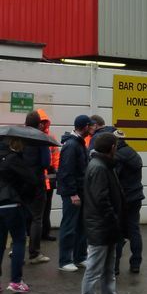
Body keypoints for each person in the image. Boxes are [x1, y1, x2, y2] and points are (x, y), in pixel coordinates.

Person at [79, 133, 133, 294]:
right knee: (94, 272)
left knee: (107, 271)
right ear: (112, 148)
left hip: (104, 227)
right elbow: (102, 201)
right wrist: (115, 221)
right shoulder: (100, 168)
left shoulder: (101, 165)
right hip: (102, 228)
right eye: (116, 145)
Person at [0, 135, 38, 293]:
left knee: (0, 242)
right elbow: (32, 180)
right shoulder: (14, 159)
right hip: (12, 203)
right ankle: (16, 281)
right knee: (19, 241)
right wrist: (22, 196)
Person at [57, 114, 91, 272]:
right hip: (73, 192)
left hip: (80, 191)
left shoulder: (78, 143)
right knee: (69, 226)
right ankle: (64, 260)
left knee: (80, 225)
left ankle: (80, 257)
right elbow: (66, 171)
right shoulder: (72, 145)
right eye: (89, 126)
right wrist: (72, 193)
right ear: (84, 127)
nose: (91, 129)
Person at [22, 110, 51, 265]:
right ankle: (34, 253)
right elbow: (46, 162)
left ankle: (18, 248)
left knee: (22, 215)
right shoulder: (41, 138)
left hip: (21, 182)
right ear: (39, 123)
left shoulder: (19, 137)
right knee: (37, 218)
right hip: (37, 182)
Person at [114, 131, 144, 275]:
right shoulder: (133, 153)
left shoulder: (118, 156)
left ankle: (115, 266)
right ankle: (136, 263)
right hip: (136, 196)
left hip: (123, 199)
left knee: (118, 232)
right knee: (134, 230)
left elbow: (115, 178)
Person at [41, 111, 59, 242]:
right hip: (38, 179)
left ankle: (45, 232)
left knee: (47, 207)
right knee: (36, 210)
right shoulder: (31, 137)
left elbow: (56, 156)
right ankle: (34, 234)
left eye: (44, 122)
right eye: (41, 122)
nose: (42, 125)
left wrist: (57, 171)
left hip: (49, 178)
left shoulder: (50, 137)